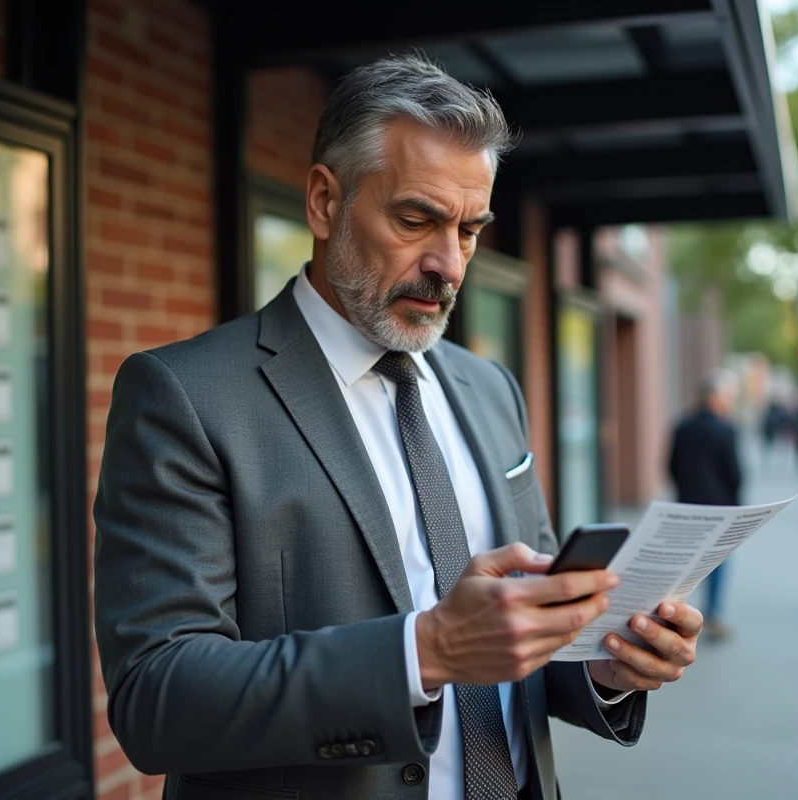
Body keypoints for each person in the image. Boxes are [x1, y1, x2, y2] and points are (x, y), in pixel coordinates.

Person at [93, 55, 703, 800]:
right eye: (416, 221)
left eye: (470, 231)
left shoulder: (490, 389)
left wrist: (606, 665)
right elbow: (156, 697)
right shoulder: (185, 396)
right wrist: (426, 651)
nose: (449, 264)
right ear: (325, 202)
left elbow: (531, 628)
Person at [668, 369, 743, 641]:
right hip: (719, 508)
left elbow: (671, 466)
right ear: (715, 397)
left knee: (685, 564)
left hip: (687, 506)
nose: (730, 402)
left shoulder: (682, 426)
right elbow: (734, 473)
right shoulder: (725, 429)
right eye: (728, 396)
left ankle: (674, 615)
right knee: (717, 562)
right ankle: (713, 615)